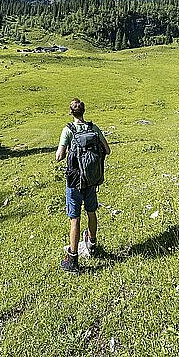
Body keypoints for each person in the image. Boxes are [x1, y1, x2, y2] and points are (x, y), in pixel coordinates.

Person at [56, 98, 111, 273]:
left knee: (75, 219)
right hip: (91, 179)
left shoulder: (68, 130)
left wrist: (65, 153)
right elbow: (107, 150)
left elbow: (59, 156)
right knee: (91, 212)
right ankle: (92, 244)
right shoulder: (93, 128)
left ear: (71, 112)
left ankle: (73, 260)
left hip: (74, 181)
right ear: (84, 111)